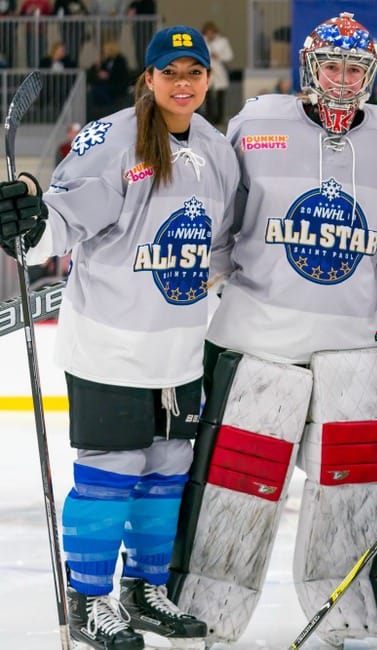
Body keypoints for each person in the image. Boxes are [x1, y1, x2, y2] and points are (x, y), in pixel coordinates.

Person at [167, 12, 377, 648]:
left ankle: (348, 614)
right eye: (330, 65)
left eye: (354, 68)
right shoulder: (256, 122)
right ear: (309, 66)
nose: (340, 79)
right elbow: (220, 221)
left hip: (353, 349)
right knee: (234, 494)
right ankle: (207, 612)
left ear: (372, 74)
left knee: (351, 498)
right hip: (256, 342)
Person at [0, 24, 238, 650]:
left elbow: (221, 244)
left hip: (181, 349)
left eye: (194, 72)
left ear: (207, 79)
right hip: (110, 343)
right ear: (149, 78)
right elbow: (62, 216)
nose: (182, 84)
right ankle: (89, 599)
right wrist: (29, 221)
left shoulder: (217, 149)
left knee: (166, 471)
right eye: (170, 72)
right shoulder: (113, 137)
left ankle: (145, 590)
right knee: (111, 474)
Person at [87, 40, 131, 118]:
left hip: (117, 84)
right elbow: (101, 70)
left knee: (99, 90)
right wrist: (96, 66)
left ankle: (109, 106)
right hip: (108, 83)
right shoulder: (108, 60)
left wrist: (108, 76)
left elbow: (120, 75)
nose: (105, 52)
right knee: (95, 88)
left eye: (106, 50)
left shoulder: (120, 60)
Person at [201, 21, 233, 126]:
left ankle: (219, 118)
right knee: (207, 95)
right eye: (208, 33)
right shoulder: (201, 41)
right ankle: (209, 118)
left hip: (219, 71)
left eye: (212, 33)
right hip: (207, 69)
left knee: (220, 95)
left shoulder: (223, 41)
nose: (210, 35)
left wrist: (219, 57)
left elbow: (229, 56)